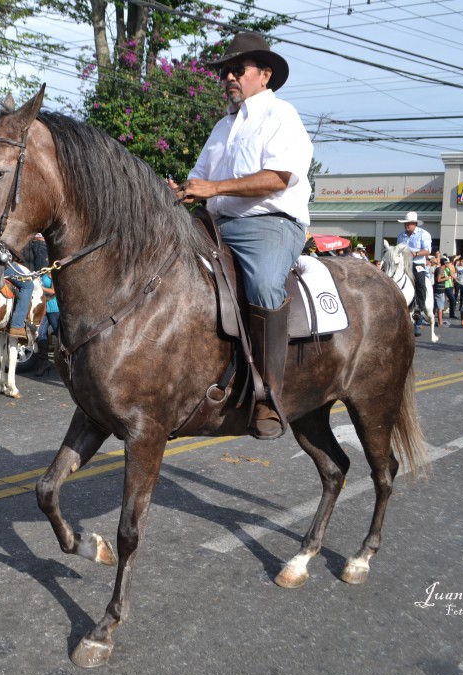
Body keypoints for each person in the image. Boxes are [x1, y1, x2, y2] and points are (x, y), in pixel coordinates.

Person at [168, 31, 312, 439]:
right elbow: (198, 180)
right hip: (214, 225)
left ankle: (268, 396)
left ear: (264, 75)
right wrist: (176, 190)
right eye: (225, 71)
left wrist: (212, 189)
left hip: (270, 223)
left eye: (238, 69)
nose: (229, 76)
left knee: (265, 284)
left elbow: (277, 177)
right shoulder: (221, 127)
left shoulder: (282, 116)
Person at [396, 211, 432, 337]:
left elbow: (427, 251)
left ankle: (420, 308)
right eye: (405, 223)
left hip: (417, 263)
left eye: (409, 223)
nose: (406, 225)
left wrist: (415, 254)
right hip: (403, 264)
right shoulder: (401, 236)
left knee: (420, 282)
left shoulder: (423, 234)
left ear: (414, 224)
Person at [35, 272, 61, 376]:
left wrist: (39, 287)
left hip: (55, 308)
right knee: (40, 333)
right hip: (44, 309)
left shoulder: (56, 273)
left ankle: (67, 362)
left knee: (59, 335)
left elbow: (53, 291)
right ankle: (44, 363)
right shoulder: (44, 272)